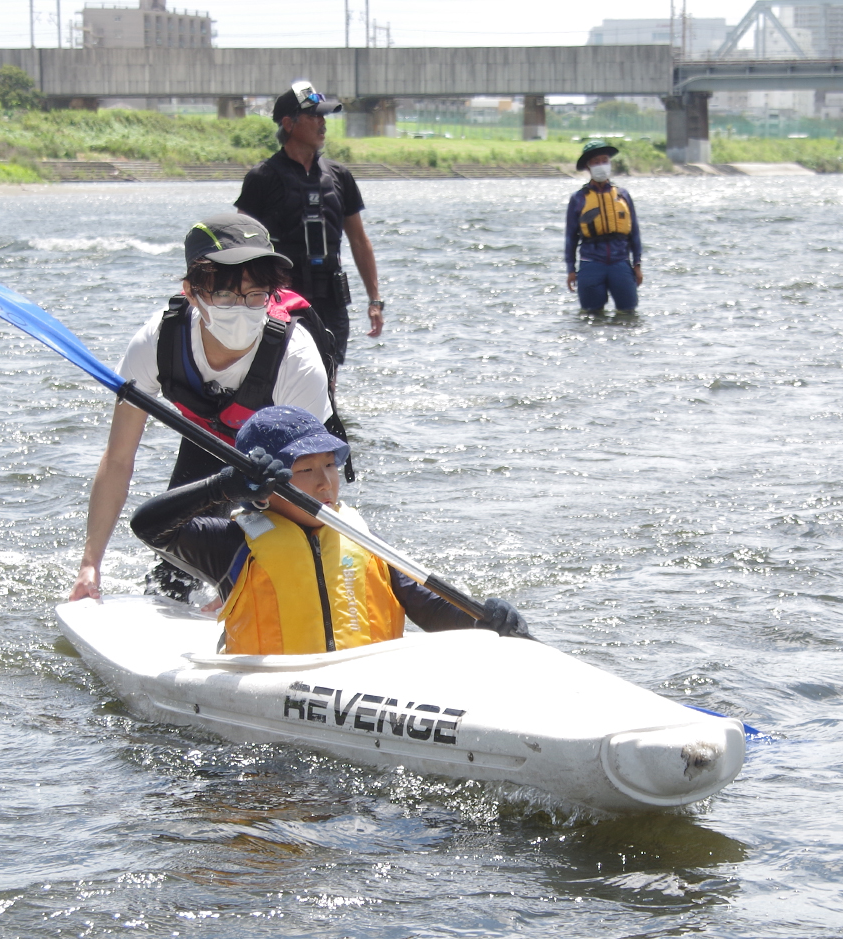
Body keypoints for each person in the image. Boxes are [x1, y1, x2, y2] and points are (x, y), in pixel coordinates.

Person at [68, 213, 348, 603]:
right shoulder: (157, 342)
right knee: (169, 580)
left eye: (256, 295)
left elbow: (309, 484)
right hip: (209, 444)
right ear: (191, 292)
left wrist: (238, 581)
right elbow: (118, 458)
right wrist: (90, 564)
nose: (243, 308)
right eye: (225, 295)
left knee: (257, 578)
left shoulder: (296, 358)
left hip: (287, 469)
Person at [130, 405, 531, 654]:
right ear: (263, 488)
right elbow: (149, 526)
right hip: (270, 689)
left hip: (362, 687)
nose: (325, 483)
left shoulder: (362, 540)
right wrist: (222, 486)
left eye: (330, 466)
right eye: (304, 470)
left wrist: (482, 620)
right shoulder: (233, 545)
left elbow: (430, 609)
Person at [235, 80, 384, 366]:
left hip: (331, 299)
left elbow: (359, 241)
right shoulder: (262, 178)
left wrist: (374, 300)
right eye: (314, 116)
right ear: (289, 124)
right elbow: (242, 242)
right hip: (282, 297)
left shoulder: (340, 176)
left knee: (327, 382)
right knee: (282, 376)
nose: (322, 124)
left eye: (323, 117)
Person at [564, 139, 644, 313]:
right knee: (591, 314)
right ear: (588, 167)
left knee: (628, 313)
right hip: (591, 263)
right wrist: (571, 269)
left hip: (620, 262)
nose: (601, 165)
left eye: (604, 161)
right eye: (596, 162)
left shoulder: (623, 195)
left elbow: (634, 233)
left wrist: (637, 264)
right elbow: (570, 237)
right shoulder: (578, 199)